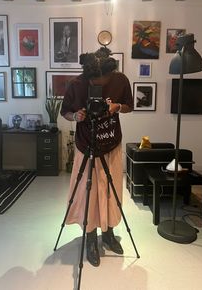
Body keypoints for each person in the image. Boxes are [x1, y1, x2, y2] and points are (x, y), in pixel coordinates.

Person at [60, 47, 133, 267]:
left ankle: (108, 233)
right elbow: (65, 111)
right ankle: (90, 237)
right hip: (86, 146)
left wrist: (117, 106)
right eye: (97, 83)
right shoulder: (76, 84)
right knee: (88, 195)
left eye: (106, 80)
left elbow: (129, 106)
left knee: (111, 192)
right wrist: (76, 115)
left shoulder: (120, 80)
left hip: (111, 144)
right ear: (88, 77)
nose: (102, 85)